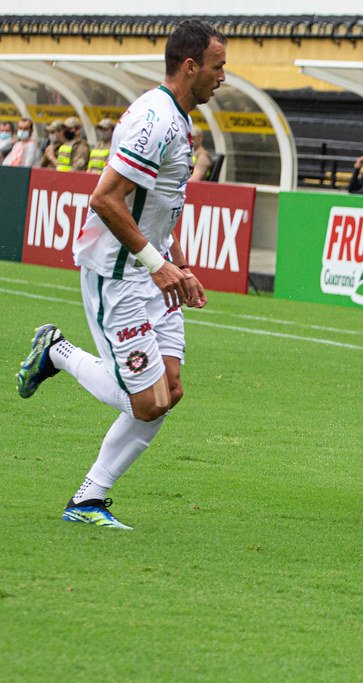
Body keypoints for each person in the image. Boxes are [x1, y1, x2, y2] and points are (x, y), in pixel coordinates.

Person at [15, 18, 225, 530]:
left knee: (169, 390)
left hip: (152, 268)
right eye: (218, 67)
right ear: (190, 65)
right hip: (117, 271)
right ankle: (57, 351)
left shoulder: (179, 119)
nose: (224, 77)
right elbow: (105, 199)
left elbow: (157, 208)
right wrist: (157, 266)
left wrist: (175, 265)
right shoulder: (154, 119)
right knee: (147, 402)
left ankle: (88, 500)